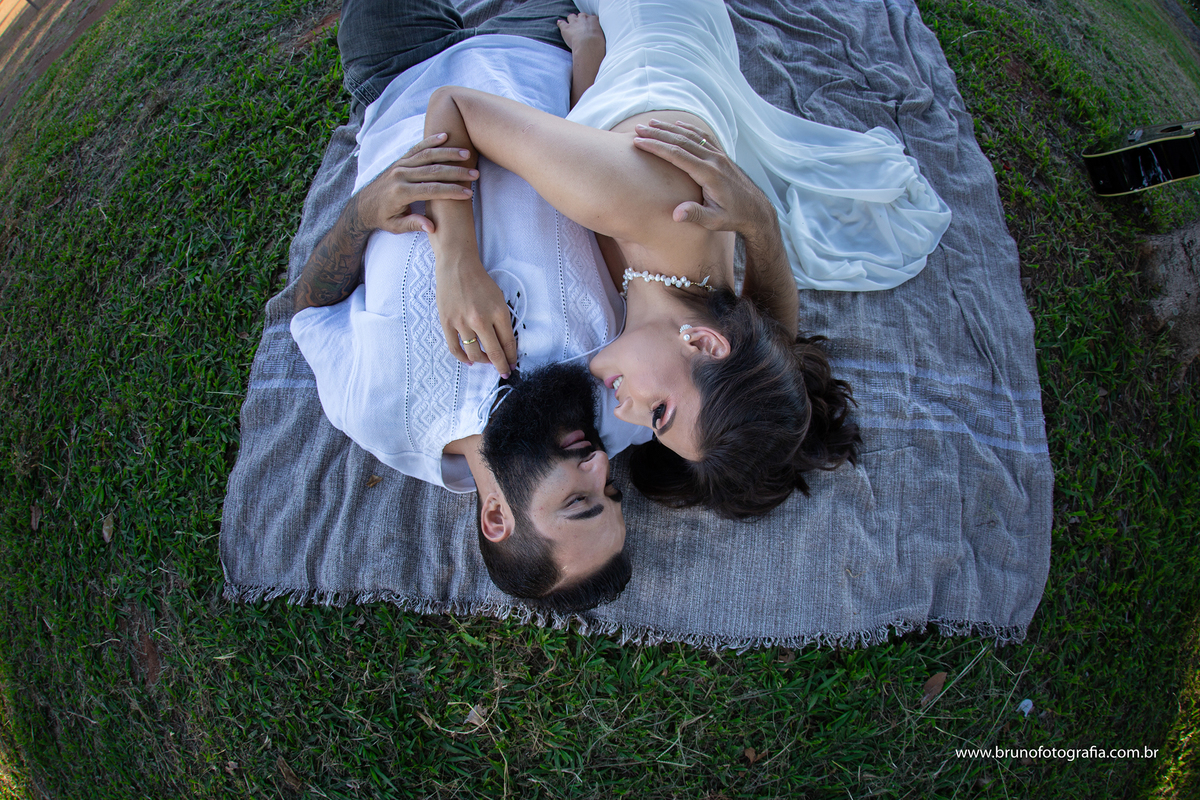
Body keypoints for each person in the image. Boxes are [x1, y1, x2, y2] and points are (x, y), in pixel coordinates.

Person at [422, 0, 953, 519]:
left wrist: (762, 225)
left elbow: (587, 149)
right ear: (702, 342)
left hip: (682, 53)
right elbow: (454, 106)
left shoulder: (692, 301)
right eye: (659, 412)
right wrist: (457, 263)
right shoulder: (654, 210)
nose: (625, 413)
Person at [289, 0, 652, 612]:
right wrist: (588, 72)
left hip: (398, 82)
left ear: (496, 515)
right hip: (541, 52)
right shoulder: (628, 401)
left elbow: (308, 309)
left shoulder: (379, 414)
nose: (599, 465)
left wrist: (361, 212)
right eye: (611, 491)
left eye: (579, 499)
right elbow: (616, 220)